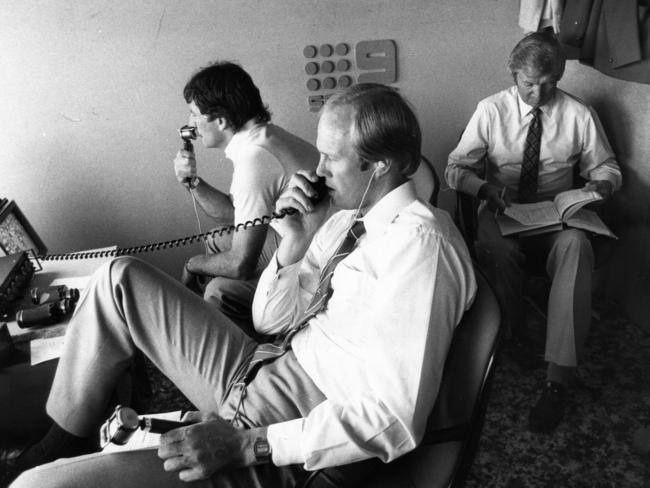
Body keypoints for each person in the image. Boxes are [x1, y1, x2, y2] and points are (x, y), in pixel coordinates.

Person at [6, 83, 476, 488]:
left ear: (379, 166)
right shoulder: (344, 223)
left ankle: (49, 464)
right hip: (264, 363)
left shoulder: (420, 247)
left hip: (287, 425)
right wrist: (296, 240)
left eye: (331, 157)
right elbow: (269, 321)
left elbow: (396, 418)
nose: (320, 169)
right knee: (118, 277)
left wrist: (249, 443)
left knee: (35, 485)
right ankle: (61, 439)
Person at [446, 31, 622, 433]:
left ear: (559, 77)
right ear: (513, 75)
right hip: (504, 208)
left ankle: (557, 378)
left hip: (557, 214)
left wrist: (601, 186)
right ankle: (513, 330)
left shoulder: (579, 114)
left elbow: (607, 167)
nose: (539, 93)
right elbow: (455, 168)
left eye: (548, 84)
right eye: (529, 84)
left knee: (577, 246)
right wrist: (485, 188)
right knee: (498, 249)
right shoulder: (490, 111)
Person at [174, 61, 319, 333]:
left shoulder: (255, 159)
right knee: (216, 239)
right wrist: (192, 183)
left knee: (219, 291)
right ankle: (207, 325)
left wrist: (193, 264)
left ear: (221, 120)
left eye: (194, 114)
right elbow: (238, 214)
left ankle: (244, 360)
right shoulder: (263, 137)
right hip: (302, 237)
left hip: (313, 260)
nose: (190, 123)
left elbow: (241, 264)